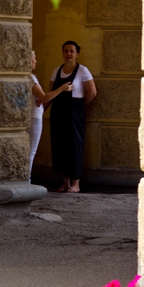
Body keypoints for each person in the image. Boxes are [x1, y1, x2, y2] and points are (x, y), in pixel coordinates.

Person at [48, 41, 97, 193]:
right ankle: (65, 182)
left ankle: (76, 183)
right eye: (66, 51)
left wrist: (79, 105)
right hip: (58, 111)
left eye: (71, 51)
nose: (68, 54)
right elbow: (51, 93)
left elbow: (92, 92)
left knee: (75, 145)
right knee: (60, 145)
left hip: (75, 112)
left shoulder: (82, 70)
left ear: (77, 54)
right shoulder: (56, 71)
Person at [27, 51, 74, 182]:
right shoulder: (31, 78)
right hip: (34, 117)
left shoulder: (24, 78)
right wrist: (61, 89)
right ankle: (26, 179)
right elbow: (44, 97)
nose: (36, 61)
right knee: (31, 152)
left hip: (28, 115)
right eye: (34, 59)